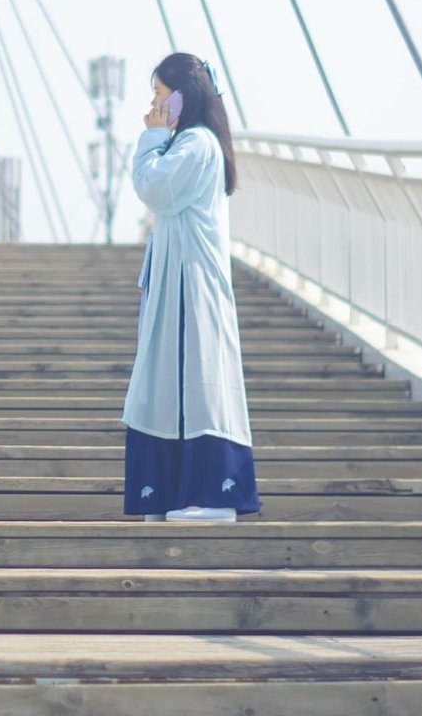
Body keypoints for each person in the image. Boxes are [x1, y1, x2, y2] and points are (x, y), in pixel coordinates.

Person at [123, 52, 260, 523]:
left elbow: (153, 187)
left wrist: (152, 137)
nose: (154, 104)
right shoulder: (190, 142)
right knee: (173, 384)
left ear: (182, 96)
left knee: (195, 383)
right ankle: (171, 494)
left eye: (160, 93)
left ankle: (213, 496)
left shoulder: (195, 143)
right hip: (178, 282)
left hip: (190, 286)